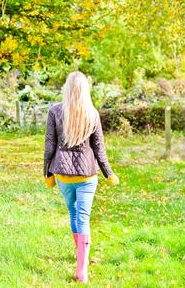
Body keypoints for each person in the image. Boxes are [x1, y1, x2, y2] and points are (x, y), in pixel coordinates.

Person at [43, 71, 119, 283]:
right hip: (87, 174)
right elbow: (99, 148)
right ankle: (81, 269)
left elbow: (49, 146)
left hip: (63, 175)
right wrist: (109, 173)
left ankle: (80, 257)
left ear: (67, 88)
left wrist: (47, 173)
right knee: (83, 216)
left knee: (73, 214)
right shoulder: (92, 113)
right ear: (85, 89)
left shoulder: (55, 111)